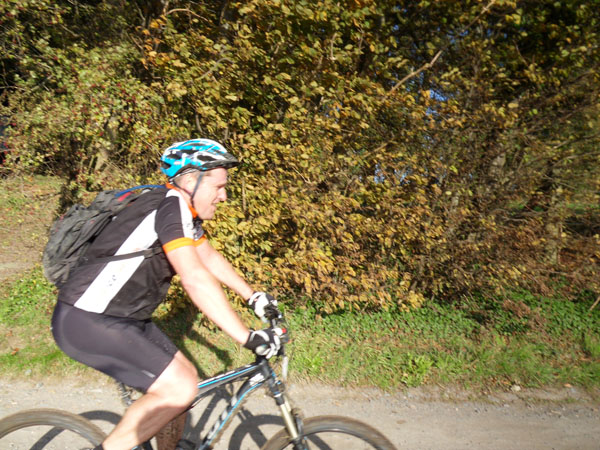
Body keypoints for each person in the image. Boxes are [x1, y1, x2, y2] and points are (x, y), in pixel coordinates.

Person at [50, 138, 283, 450]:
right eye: (218, 186)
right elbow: (194, 278)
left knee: (187, 385)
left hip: (125, 319)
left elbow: (207, 256)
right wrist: (247, 337)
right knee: (179, 389)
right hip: (87, 320)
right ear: (189, 181)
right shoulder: (169, 208)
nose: (224, 196)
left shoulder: (179, 209)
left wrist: (252, 296)